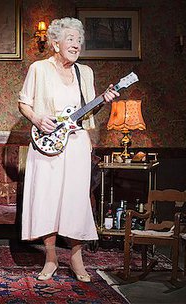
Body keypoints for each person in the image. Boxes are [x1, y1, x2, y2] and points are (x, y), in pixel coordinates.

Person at [18, 17, 119, 282]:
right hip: (47, 143)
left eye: (79, 40)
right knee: (47, 199)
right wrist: (37, 119)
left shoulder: (85, 73)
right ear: (55, 43)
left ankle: (76, 258)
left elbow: (88, 111)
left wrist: (103, 100)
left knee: (75, 201)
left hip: (76, 144)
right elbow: (24, 103)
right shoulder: (39, 69)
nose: (76, 44)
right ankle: (50, 258)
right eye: (70, 39)